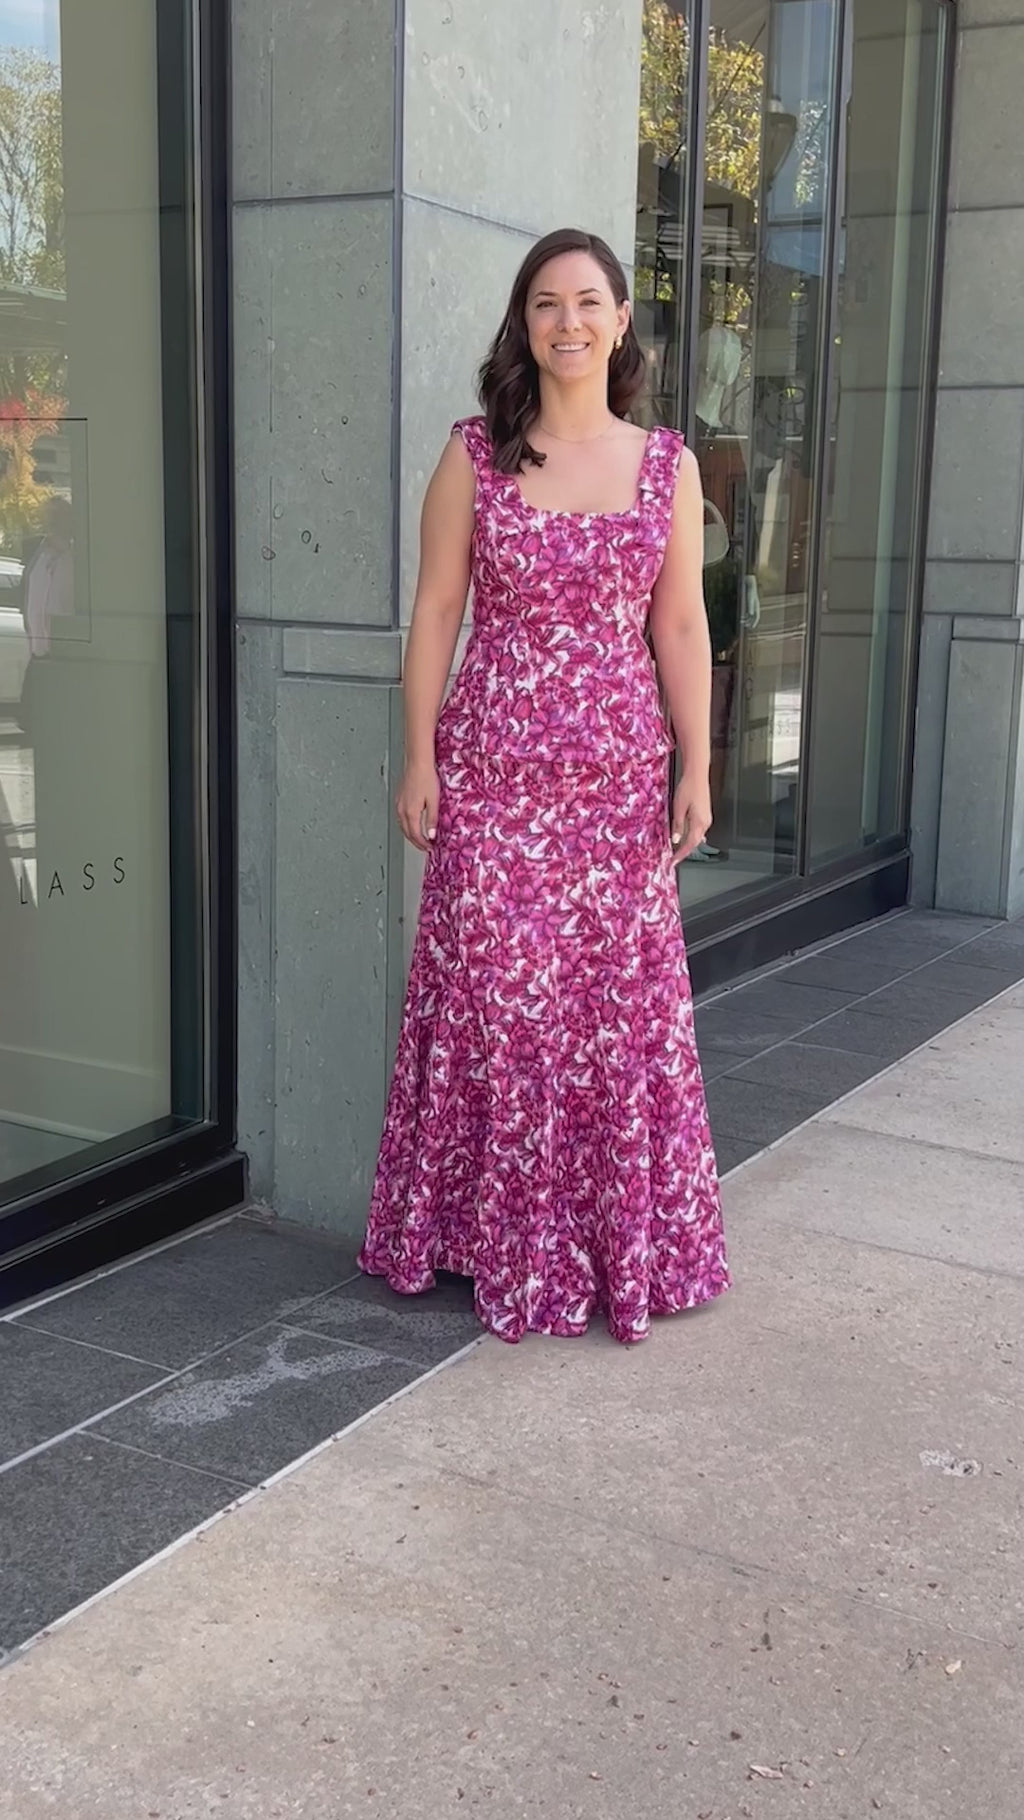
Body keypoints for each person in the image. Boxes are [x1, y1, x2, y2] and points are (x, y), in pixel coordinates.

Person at [357, 226, 729, 1344]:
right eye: (545, 304)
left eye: (587, 302)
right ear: (524, 327)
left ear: (620, 322)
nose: (568, 322)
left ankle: (608, 1248)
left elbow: (679, 623)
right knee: (499, 1004)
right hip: (492, 778)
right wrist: (418, 754)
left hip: (616, 788)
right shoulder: (475, 456)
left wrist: (698, 761)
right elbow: (435, 610)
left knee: (612, 1017)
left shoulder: (666, 465)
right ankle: (491, 1241)